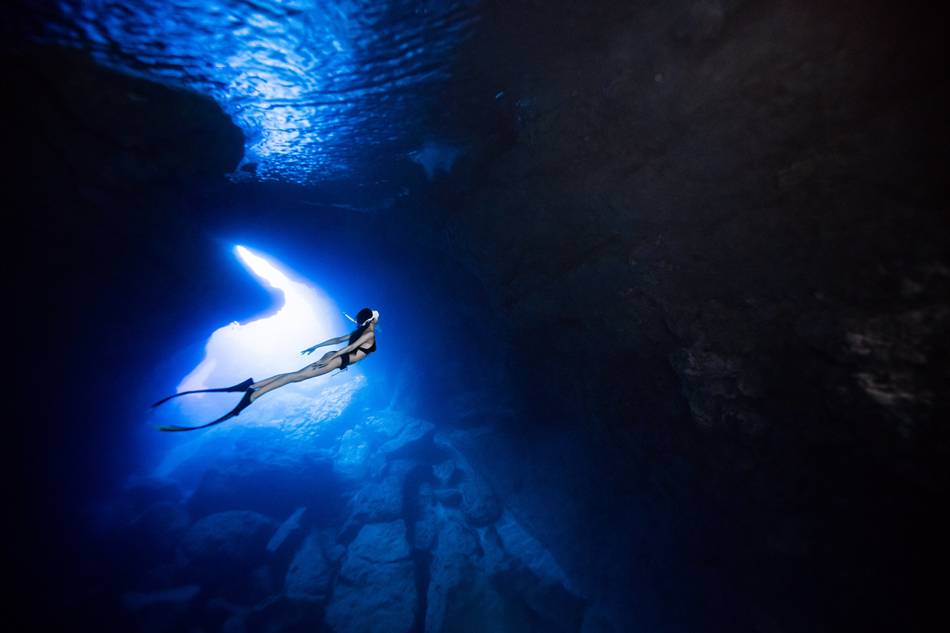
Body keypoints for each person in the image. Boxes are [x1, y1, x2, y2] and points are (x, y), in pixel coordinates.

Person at [153, 308, 379, 432]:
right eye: (375, 319)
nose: (377, 321)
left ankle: (251, 386)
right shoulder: (369, 333)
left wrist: (317, 347)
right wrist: (333, 360)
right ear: (371, 321)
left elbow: (338, 339)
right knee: (297, 377)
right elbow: (349, 347)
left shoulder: (360, 330)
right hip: (338, 360)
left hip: (334, 357)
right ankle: (254, 394)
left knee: (294, 376)